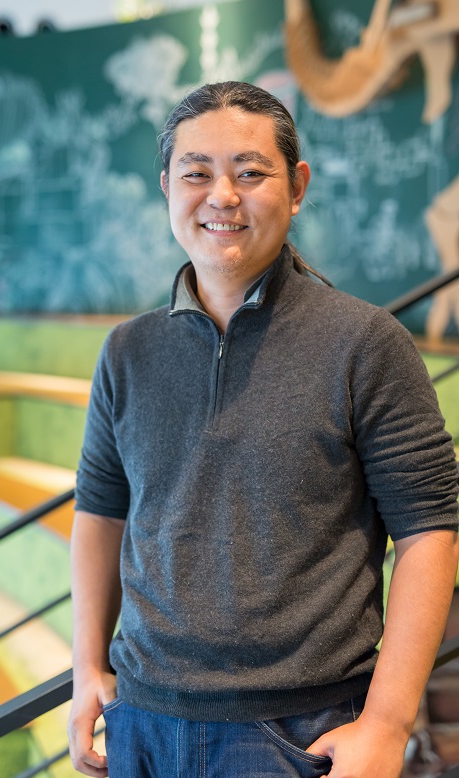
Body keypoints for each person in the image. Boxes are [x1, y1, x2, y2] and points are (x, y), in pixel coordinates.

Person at [68, 81, 459, 778]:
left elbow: (429, 530)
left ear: (296, 185)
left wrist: (388, 721)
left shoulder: (366, 343)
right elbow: (100, 513)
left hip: (300, 731)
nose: (222, 196)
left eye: (250, 173)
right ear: (167, 187)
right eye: (196, 173)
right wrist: (85, 668)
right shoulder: (125, 351)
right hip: (142, 720)